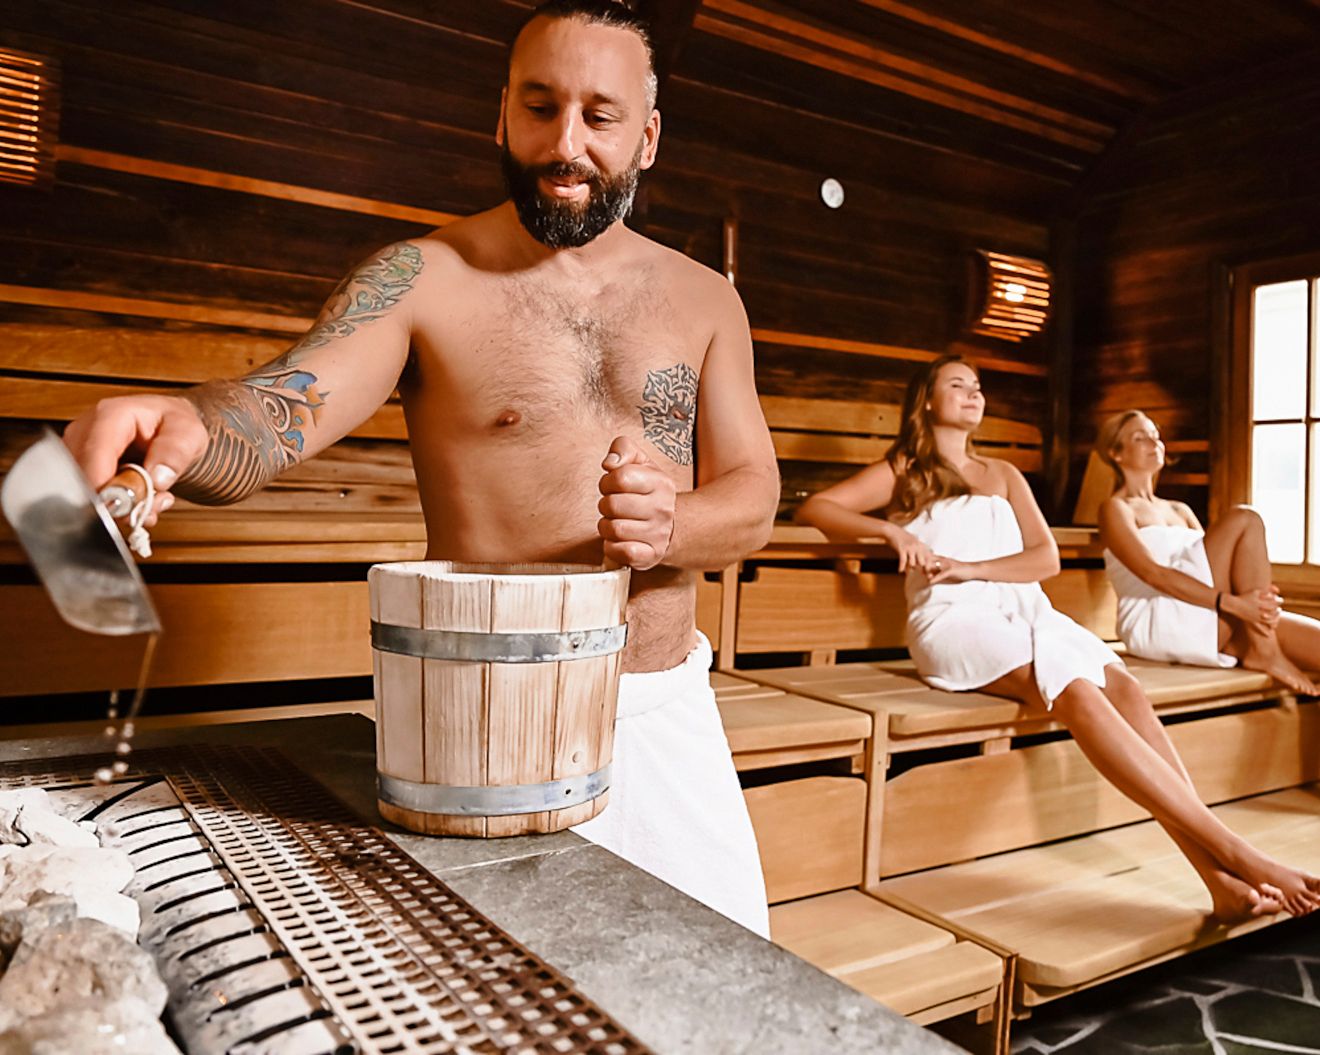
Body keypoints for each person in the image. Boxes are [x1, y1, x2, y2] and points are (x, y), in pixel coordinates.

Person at [60, 0, 778, 937]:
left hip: (662, 706)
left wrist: (671, 527)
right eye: (539, 106)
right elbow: (283, 407)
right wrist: (186, 426)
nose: (565, 144)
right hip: (487, 713)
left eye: (599, 116)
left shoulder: (706, 299)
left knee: (728, 984)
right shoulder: (423, 277)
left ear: (646, 138)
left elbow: (755, 498)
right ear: (501, 117)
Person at [795, 355, 1319, 922]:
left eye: (978, 386)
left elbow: (1044, 559)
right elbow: (817, 507)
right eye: (957, 385)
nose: (973, 394)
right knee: (1076, 691)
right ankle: (1238, 853)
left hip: (1025, 609)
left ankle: (1217, 882)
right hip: (954, 618)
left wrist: (973, 567)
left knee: (1127, 689)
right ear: (926, 400)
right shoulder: (904, 471)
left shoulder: (1004, 475)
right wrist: (891, 530)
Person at [1096, 409, 1318, 694]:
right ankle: (1264, 649)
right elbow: (1154, 575)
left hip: (1207, 610)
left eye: (1156, 436)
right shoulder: (1116, 509)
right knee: (1245, 519)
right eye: (1141, 438)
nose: (1154, 444)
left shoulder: (1180, 510)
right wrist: (1235, 604)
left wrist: (1259, 603)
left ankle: (1262, 644)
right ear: (1116, 453)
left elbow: (1213, 567)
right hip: (1160, 616)